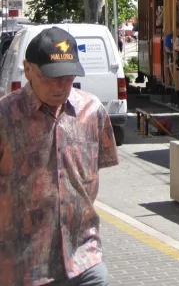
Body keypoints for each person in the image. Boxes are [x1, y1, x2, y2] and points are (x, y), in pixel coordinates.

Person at [0, 27, 119, 286]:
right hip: (24, 266)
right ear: (29, 70)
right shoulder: (5, 116)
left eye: (67, 78)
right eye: (50, 77)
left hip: (84, 258)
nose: (60, 86)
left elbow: (95, 169)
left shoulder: (92, 111)